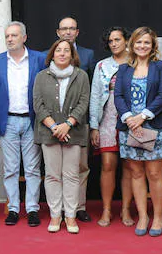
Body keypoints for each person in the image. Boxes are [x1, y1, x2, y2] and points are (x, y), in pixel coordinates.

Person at [114, 27, 162, 237]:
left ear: (153, 45)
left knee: (155, 173)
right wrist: (129, 118)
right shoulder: (123, 69)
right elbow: (118, 96)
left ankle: (158, 216)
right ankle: (143, 216)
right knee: (136, 173)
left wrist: (143, 116)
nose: (142, 46)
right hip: (130, 127)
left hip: (155, 126)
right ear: (132, 44)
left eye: (146, 42)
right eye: (138, 42)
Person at [0, 21, 47, 226]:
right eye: (7, 36)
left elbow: (45, 88)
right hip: (9, 120)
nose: (10, 39)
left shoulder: (39, 59)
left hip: (32, 120)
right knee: (11, 169)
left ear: (24, 37)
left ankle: (32, 209)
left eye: (14, 35)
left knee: (32, 168)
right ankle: (13, 208)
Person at [33, 39, 91, 233]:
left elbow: (84, 103)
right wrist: (54, 127)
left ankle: (71, 216)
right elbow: (37, 105)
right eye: (59, 50)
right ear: (52, 53)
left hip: (74, 132)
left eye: (67, 50)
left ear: (72, 54)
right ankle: (55, 215)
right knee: (52, 176)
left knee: (72, 176)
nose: (63, 53)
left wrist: (67, 125)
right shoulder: (42, 76)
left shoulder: (81, 76)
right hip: (49, 133)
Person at [89, 27, 135, 227]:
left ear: (126, 40)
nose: (114, 44)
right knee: (108, 164)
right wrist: (94, 126)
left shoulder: (136, 62)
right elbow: (94, 97)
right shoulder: (101, 66)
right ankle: (106, 209)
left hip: (131, 120)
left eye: (117, 39)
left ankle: (125, 209)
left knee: (130, 166)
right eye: (110, 41)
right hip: (106, 118)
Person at [57, 16, 95, 222]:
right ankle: (61, 208)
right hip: (54, 124)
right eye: (64, 29)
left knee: (80, 167)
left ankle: (78, 206)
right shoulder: (48, 56)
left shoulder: (88, 55)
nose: (68, 32)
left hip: (80, 121)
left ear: (77, 32)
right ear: (58, 32)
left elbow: (91, 91)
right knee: (58, 168)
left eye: (72, 29)